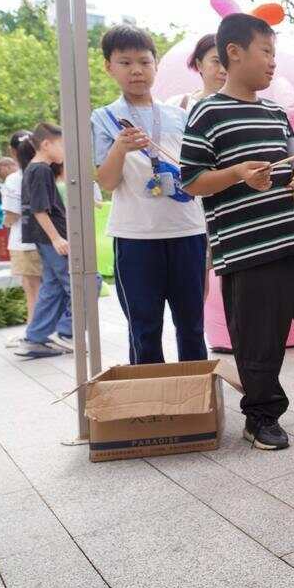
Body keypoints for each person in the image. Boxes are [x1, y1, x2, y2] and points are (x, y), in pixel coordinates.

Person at [180, 13, 294, 451]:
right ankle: (261, 418)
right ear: (234, 53)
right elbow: (192, 180)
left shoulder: (276, 113)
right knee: (259, 340)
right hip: (248, 247)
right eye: (266, 52)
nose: (273, 62)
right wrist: (237, 173)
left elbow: (293, 169)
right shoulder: (206, 112)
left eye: (274, 53)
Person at [92, 24, 209, 365]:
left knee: (192, 326)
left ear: (156, 64)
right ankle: (150, 397)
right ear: (109, 67)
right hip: (136, 237)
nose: (136, 70)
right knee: (144, 329)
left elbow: (198, 171)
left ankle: (196, 392)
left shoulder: (180, 116)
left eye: (144, 61)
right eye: (125, 62)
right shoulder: (104, 119)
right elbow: (107, 181)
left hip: (187, 230)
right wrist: (120, 148)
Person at [14, 123, 76, 358]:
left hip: (45, 239)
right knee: (85, 282)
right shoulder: (41, 170)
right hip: (52, 239)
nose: (65, 151)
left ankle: (35, 339)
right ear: (46, 144)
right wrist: (57, 238)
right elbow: (39, 209)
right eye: (62, 145)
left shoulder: (35, 169)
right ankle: (67, 333)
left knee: (53, 287)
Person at [3, 132, 42, 344]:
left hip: (23, 242)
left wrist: (5, 222)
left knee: (32, 290)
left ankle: (34, 333)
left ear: (13, 152)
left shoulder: (14, 179)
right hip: (47, 239)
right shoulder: (45, 172)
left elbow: (12, 215)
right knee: (47, 288)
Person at [165, 34, 226, 112]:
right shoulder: (175, 105)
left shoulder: (240, 107)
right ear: (199, 64)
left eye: (228, 62)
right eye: (216, 61)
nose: (223, 70)